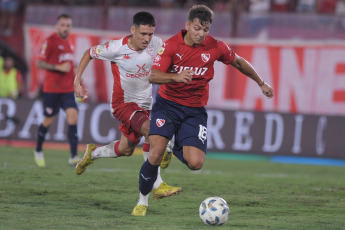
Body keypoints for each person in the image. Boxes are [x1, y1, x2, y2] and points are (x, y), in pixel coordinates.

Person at [132, 5, 274, 216]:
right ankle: (142, 201)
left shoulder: (215, 47)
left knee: (196, 163)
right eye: (197, 28)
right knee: (155, 154)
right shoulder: (171, 45)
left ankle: (172, 145)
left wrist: (261, 82)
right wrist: (175, 77)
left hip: (194, 111)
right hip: (167, 106)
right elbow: (153, 76)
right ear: (188, 25)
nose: (201, 34)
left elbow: (238, 62)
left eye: (205, 30)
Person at [74, 11, 181, 201]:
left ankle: (93, 153)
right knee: (154, 132)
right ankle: (157, 184)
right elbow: (88, 53)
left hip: (145, 105)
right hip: (123, 104)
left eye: (150, 34)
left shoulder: (156, 43)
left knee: (126, 149)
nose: (148, 39)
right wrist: (77, 83)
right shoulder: (115, 48)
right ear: (133, 30)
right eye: (143, 34)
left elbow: (171, 58)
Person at [34, 13, 80, 168]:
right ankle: (38, 149)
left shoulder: (70, 43)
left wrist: (78, 80)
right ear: (57, 26)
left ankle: (73, 156)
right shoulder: (50, 41)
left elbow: (69, 65)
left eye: (68, 25)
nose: (65, 28)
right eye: (63, 25)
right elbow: (40, 63)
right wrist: (57, 67)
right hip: (52, 89)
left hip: (67, 89)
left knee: (73, 117)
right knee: (48, 121)